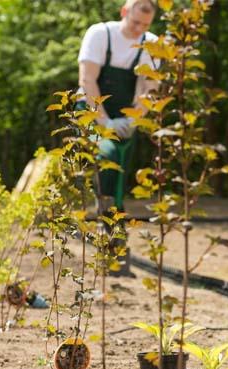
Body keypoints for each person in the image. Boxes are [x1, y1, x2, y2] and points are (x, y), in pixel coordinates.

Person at [78, 0, 158, 275]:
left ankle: (116, 253)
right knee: (107, 158)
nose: (139, 30)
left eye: (145, 26)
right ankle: (109, 237)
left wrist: (132, 120)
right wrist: (105, 122)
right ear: (124, 12)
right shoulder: (100, 34)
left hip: (125, 119)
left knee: (120, 177)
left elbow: (149, 90)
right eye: (135, 23)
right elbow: (88, 81)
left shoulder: (151, 43)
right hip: (92, 112)